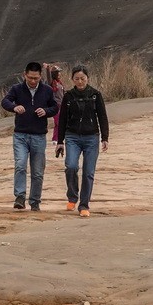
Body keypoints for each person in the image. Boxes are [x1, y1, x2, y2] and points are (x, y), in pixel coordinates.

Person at [1, 62, 58, 211]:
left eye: (36, 78)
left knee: (38, 171)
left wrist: (46, 111)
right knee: (20, 165)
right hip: (20, 135)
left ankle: (35, 201)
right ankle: (20, 197)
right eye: (30, 78)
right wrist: (14, 107)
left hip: (39, 136)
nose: (33, 81)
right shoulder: (17, 89)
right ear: (24, 74)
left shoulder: (46, 90)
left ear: (40, 76)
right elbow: (5, 101)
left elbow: (54, 107)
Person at [56, 65, 109, 217]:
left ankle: (84, 204)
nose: (80, 82)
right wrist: (60, 141)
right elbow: (63, 119)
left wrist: (105, 138)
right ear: (72, 79)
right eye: (77, 79)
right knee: (71, 166)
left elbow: (102, 117)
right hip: (72, 136)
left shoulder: (95, 95)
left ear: (88, 79)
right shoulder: (68, 96)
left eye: (83, 79)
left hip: (92, 137)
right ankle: (72, 196)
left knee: (88, 172)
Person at [45, 63, 65, 153]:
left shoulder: (60, 83)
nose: (59, 74)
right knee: (58, 122)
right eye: (58, 72)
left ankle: (56, 138)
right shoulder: (51, 83)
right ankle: (56, 139)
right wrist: (47, 70)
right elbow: (49, 78)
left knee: (61, 122)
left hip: (62, 105)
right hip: (55, 106)